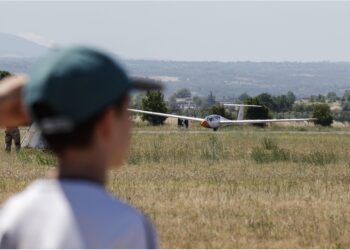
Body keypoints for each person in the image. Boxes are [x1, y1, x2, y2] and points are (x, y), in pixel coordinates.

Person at [0, 47, 161, 248]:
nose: (130, 124)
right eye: (125, 112)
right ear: (107, 122)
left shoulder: (12, 218)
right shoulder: (130, 228)